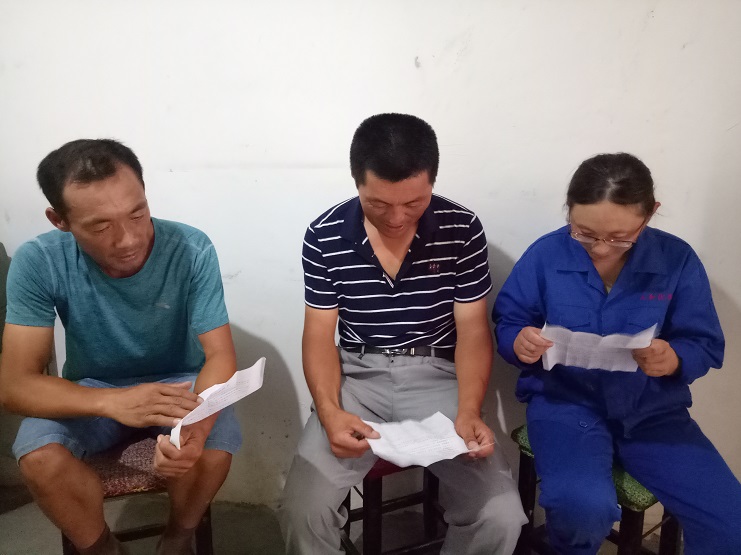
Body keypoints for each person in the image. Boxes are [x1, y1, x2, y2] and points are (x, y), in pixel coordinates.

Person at [279, 113, 526, 555]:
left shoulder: (461, 227)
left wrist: (469, 410)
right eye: (378, 203)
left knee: (501, 514)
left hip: (436, 377)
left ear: (432, 181)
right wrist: (329, 411)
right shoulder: (324, 235)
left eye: (414, 203)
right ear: (357, 182)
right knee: (303, 510)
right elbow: (319, 335)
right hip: (356, 378)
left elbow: (472, 330)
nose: (396, 218)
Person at [0, 139, 241, 555]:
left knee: (213, 448)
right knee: (39, 456)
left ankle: (177, 540)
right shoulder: (39, 260)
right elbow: (14, 385)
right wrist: (113, 401)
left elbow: (220, 356)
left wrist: (195, 430)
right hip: (95, 387)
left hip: (179, 383)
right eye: (100, 227)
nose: (128, 239)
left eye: (138, 213)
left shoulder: (190, 247)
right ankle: (104, 549)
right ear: (59, 220)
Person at [493, 152, 741, 554]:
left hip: (653, 412)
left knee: (730, 524)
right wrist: (519, 341)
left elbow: (704, 342)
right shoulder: (547, 254)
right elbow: (509, 321)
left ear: (650, 214)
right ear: (569, 211)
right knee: (582, 510)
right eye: (585, 233)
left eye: (620, 237)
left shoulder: (676, 260)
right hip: (565, 405)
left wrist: (673, 358)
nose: (601, 248)